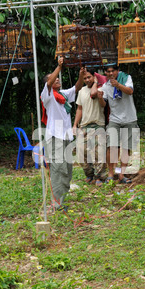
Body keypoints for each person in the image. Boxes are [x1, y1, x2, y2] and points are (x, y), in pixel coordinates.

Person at [41, 57, 84, 209]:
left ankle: (61, 198)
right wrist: (59, 66)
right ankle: (56, 203)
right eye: (55, 78)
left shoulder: (64, 94)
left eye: (58, 78)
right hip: (54, 136)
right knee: (58, 168)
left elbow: (77, 87)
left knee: (67, 168)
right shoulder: (47, 96)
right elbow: (48, 83)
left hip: (66, 136)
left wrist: (81, 75)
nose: (57, 79)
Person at [100, 64, 139, 184]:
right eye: (108, 71)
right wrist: (100, 97)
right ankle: (111, 174)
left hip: (130, 118)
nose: (111, 73)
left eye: (113, 71)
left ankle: (122, 174)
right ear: (105, 73)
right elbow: (103, 105)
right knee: (112, 146)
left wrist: (118, 85)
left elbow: (130, 91)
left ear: (117, 71)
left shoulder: (127, 78)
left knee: (127, 148)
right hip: (114, 119)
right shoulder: (105, 86)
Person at [73, 69, 107, 186]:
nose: (87, 80)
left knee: (98, 153)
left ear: (94, 77)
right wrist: (74, 125)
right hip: (84, 125)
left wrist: (96, 83)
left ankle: (99, 176)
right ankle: (89, 174)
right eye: (85, 78)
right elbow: (79, 109)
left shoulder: (100, 89)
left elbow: (102, 103)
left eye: (89, 77)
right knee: (81, 152)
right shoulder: (81, 91)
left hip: (98, 124)